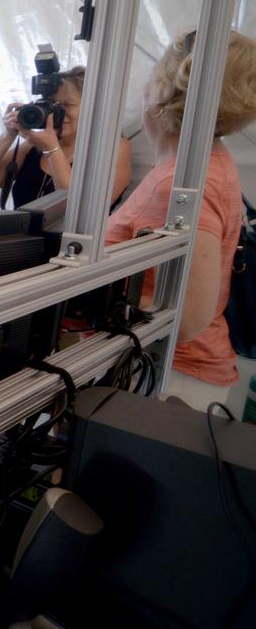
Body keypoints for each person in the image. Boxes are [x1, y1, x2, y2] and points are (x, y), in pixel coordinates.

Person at [105, 30, 256, 414]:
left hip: (167, 375)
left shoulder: (183, 182)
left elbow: (188, 317)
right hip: (167, 370)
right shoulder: (202, 160)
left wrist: (82, 300)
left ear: (163, 91)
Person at [0, 66, 132, 209]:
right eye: (52, 105)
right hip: (22, 244)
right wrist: (8, 135)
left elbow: (74, 207)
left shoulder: (114, 148)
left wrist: (52, 149)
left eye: (66, 105)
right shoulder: (33, 147)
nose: (56, 113)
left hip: (74, 246)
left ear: (95, 107)